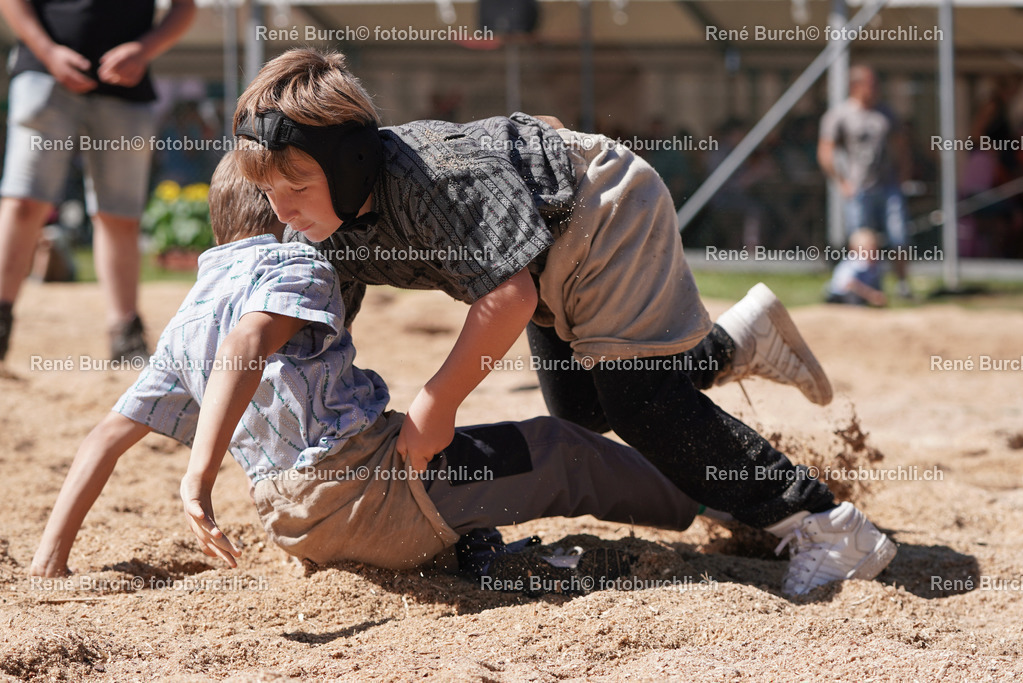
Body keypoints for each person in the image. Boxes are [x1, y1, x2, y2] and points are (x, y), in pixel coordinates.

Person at [230, 48, 896, 596]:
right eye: (268, 194)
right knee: (581, 410)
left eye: (296, 189)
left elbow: (507, 299)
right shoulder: (327, 225)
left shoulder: (435, 175)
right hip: (541, 256)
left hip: (599, 209)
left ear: (350, 165)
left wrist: (436, 401)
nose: (282, 211)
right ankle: (734, 342)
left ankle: (826, 522)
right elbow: (316, 333)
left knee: (640, 404)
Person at [31, 152, 713, 592]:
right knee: (562, 450)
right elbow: (248, 339)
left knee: (471, 482)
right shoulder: (293, 261)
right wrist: (198, 473)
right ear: (280, 210)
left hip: (296, 524)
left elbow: (102, 440)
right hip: (372, 489)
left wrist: (50, 562)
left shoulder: (182, 322)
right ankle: (707, 501)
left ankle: (480, 550)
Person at [0, 0, 197, 367]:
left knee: (120, 215)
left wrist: (143, 49)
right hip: (43, 71)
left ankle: (125, 334)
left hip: (126, 86)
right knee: (24, 201)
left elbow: (184, 7)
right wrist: (47, 52)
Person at [818, 64, 912, 299]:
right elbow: (825, 151)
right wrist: (841, 181)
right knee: (862, 243)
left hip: (888, 185)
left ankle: (902, 285)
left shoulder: (886, 113)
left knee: (898, 236)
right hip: (858, 188)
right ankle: (864, 287)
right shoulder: (840, 114)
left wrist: (903, 175)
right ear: (856, 86)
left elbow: (901, 146)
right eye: (871, 84)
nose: (876, 89)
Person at [826, 229, 887, 307]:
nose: (871, 252)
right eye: (866, 249)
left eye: (873, 249)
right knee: (852, 296)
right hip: (839, 295)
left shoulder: (875, 266)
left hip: (859, 297)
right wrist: (870, 295)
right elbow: (849, 285)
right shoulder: (854, 263)